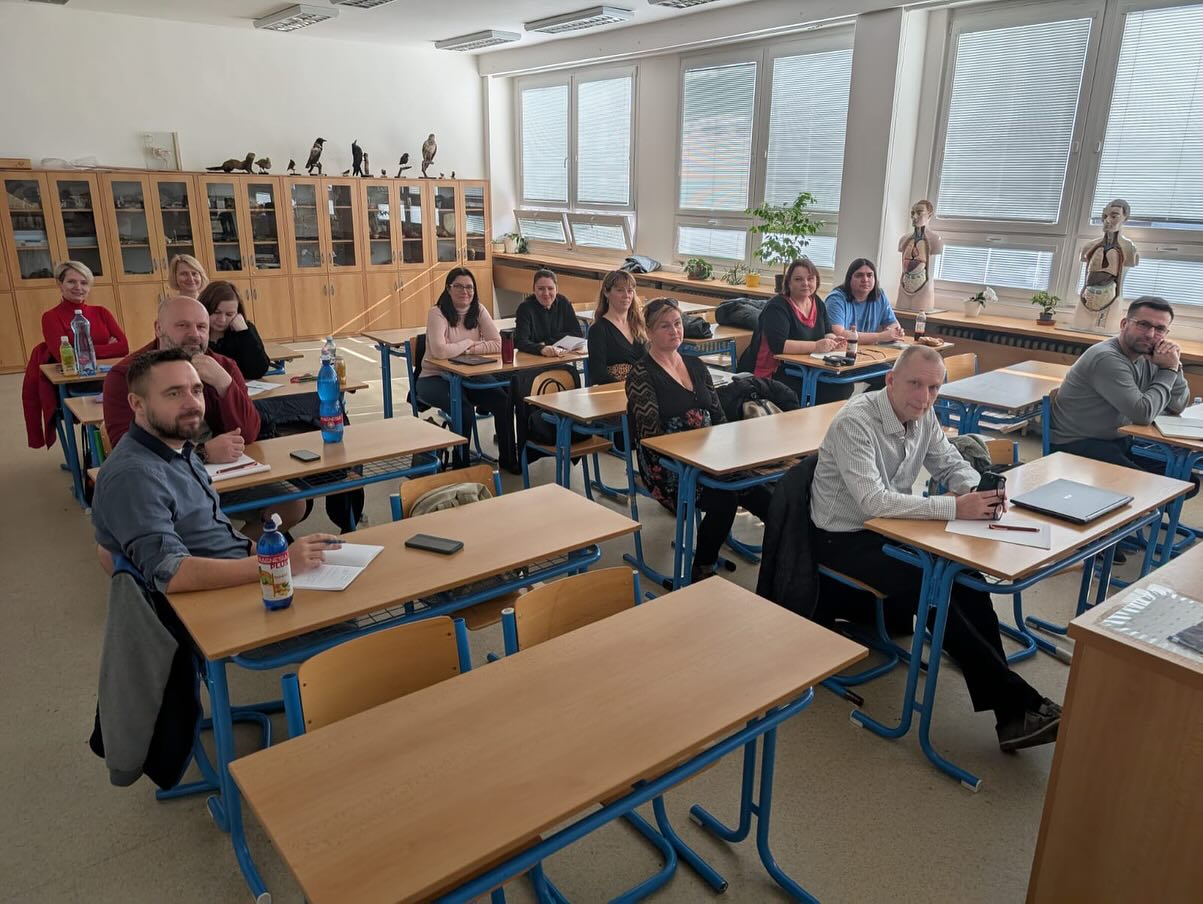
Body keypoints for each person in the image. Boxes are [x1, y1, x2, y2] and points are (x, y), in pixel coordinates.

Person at [810, 344, 1061, 752]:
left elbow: (949, 462)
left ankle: (1011, 713)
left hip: (893, 528)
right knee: (932, 589)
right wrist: (957, 507)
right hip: (843, 536)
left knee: (966, 577)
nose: (924, 397)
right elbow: (872, 503)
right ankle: (1018, 704)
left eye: (933, 388)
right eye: (914, 384)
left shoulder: (922, 414)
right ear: (891, 380)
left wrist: (980, 490)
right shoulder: (855, 422)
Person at [93, 348, 337, 593]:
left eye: (196, 390)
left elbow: (219, 535)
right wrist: (277, 562)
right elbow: (170, 574)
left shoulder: (178, 447)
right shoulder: (134, 476)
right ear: (137, 404)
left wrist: (273, 553)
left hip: (238, 573)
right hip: (211, 595)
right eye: (174, 393)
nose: (192, 403)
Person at [103, 296, 305, 537]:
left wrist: (224, 383)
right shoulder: (125, 375)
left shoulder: (222, 366)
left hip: (223, 476)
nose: (194, 335)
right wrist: (203, 453)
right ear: (158, 328)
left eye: (201, 327)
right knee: (187, 526)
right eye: (182, 325)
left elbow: (249, 432)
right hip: (162, 480)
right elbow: (127, 450)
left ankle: (234, 553)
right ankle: (217, 553)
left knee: (292, 504)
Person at [627, 297, 772, 584]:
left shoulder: (695, 365)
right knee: (725, 499)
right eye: (665, 326)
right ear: (649, 332)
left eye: (677, 323)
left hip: (710, 457)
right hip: (668, 466)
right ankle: (701, 568)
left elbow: (718, 418)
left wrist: (728, 454)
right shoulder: (641, 374)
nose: (674, 331)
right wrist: (700, 457)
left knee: (766, 495)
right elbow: (650, 438)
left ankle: (781, 562)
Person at [1051, 296, 1190, 470]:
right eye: (1143, 324)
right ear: (1124, 324)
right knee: (1155, 485)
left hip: (1119, 439)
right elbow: (1142, 415)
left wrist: (1175, 366)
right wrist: (1168, 370)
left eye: (1160, 329)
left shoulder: (1152, 355)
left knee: (1184, 478)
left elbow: (1178, 405)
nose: (1150, 334)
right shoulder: (1106, 358)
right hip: (1077, 444)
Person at [418, 267, 518, 472]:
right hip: (434, 378)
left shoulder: (478, 310)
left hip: (468, 376)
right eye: (459, 286)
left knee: (503, 401)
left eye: (469, 287)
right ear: (448, 289)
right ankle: (461, 466)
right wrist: (468, 343)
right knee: (463, 410)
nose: (465, 291)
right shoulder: (437, 313)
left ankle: (508, 459)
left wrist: (468, 349)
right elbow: (439, 351)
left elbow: (498, 344)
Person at [738, 257, 845, 403]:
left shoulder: (818, 302)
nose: (805, 283)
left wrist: (833, 340)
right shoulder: (777, 306)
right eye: (798, 279)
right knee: (824, 392)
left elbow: (827, 331)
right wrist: (816, 346)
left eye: (810, 279)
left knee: (842, 387)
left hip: (807, 368)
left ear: (817, 281)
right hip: (776, 372)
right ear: (789, 282)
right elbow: (779, 346)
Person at [41, 261, 129, 362]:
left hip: (108, 369)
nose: (78, 287)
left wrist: (79, 350)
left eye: (84, 283)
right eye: (71, 282)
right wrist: (108, 348)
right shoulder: (51, 317)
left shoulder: (101, 312)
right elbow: (65, 357)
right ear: (60, 284)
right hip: (75, 372)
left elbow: (124, 348)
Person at [200, 280, 272, 380]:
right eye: (216, 312)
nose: (222, 320)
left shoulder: (245, 329)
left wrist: (244, 333)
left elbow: (258, 371)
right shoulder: (194, 333)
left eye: (229, 314)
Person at [588, 270, 647, 384]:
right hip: (615, 388)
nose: (626, 295)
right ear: (606, 292)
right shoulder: (598, 329)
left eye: (630, 291)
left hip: (641, 386)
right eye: (620, 290)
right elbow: (598, 374)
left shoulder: (639, 324)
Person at [514, 269, 583, 357]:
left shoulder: (563, 302)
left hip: (560, 356)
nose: (546, 293)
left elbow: (577, 334)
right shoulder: (525, 308)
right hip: (534, 358)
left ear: (556, 289)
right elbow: (521, 342)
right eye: (541, 289)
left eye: (550, 288)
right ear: (534, 289)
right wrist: (541, 349)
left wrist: (546, 343)